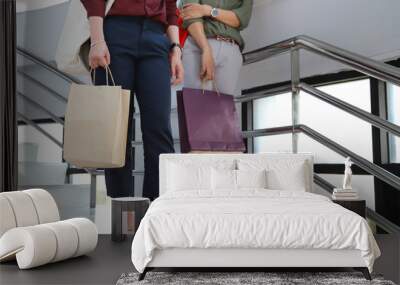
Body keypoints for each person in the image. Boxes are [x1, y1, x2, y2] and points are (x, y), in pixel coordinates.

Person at [81, 0, 184, 200]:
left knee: (160, 130)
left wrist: (176, 48)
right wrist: (97, 39)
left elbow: (171, 6)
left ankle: (157, 213)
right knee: (116, 134)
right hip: (114, 32)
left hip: (156, 37)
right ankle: (122, 221)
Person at [180, 0, 253, 95]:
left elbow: (242, 19)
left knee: (223, 106)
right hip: (198, 45)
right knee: (197, 103)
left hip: (231, 49)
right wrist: (205, 49)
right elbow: (190, 14)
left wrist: (208, 11)